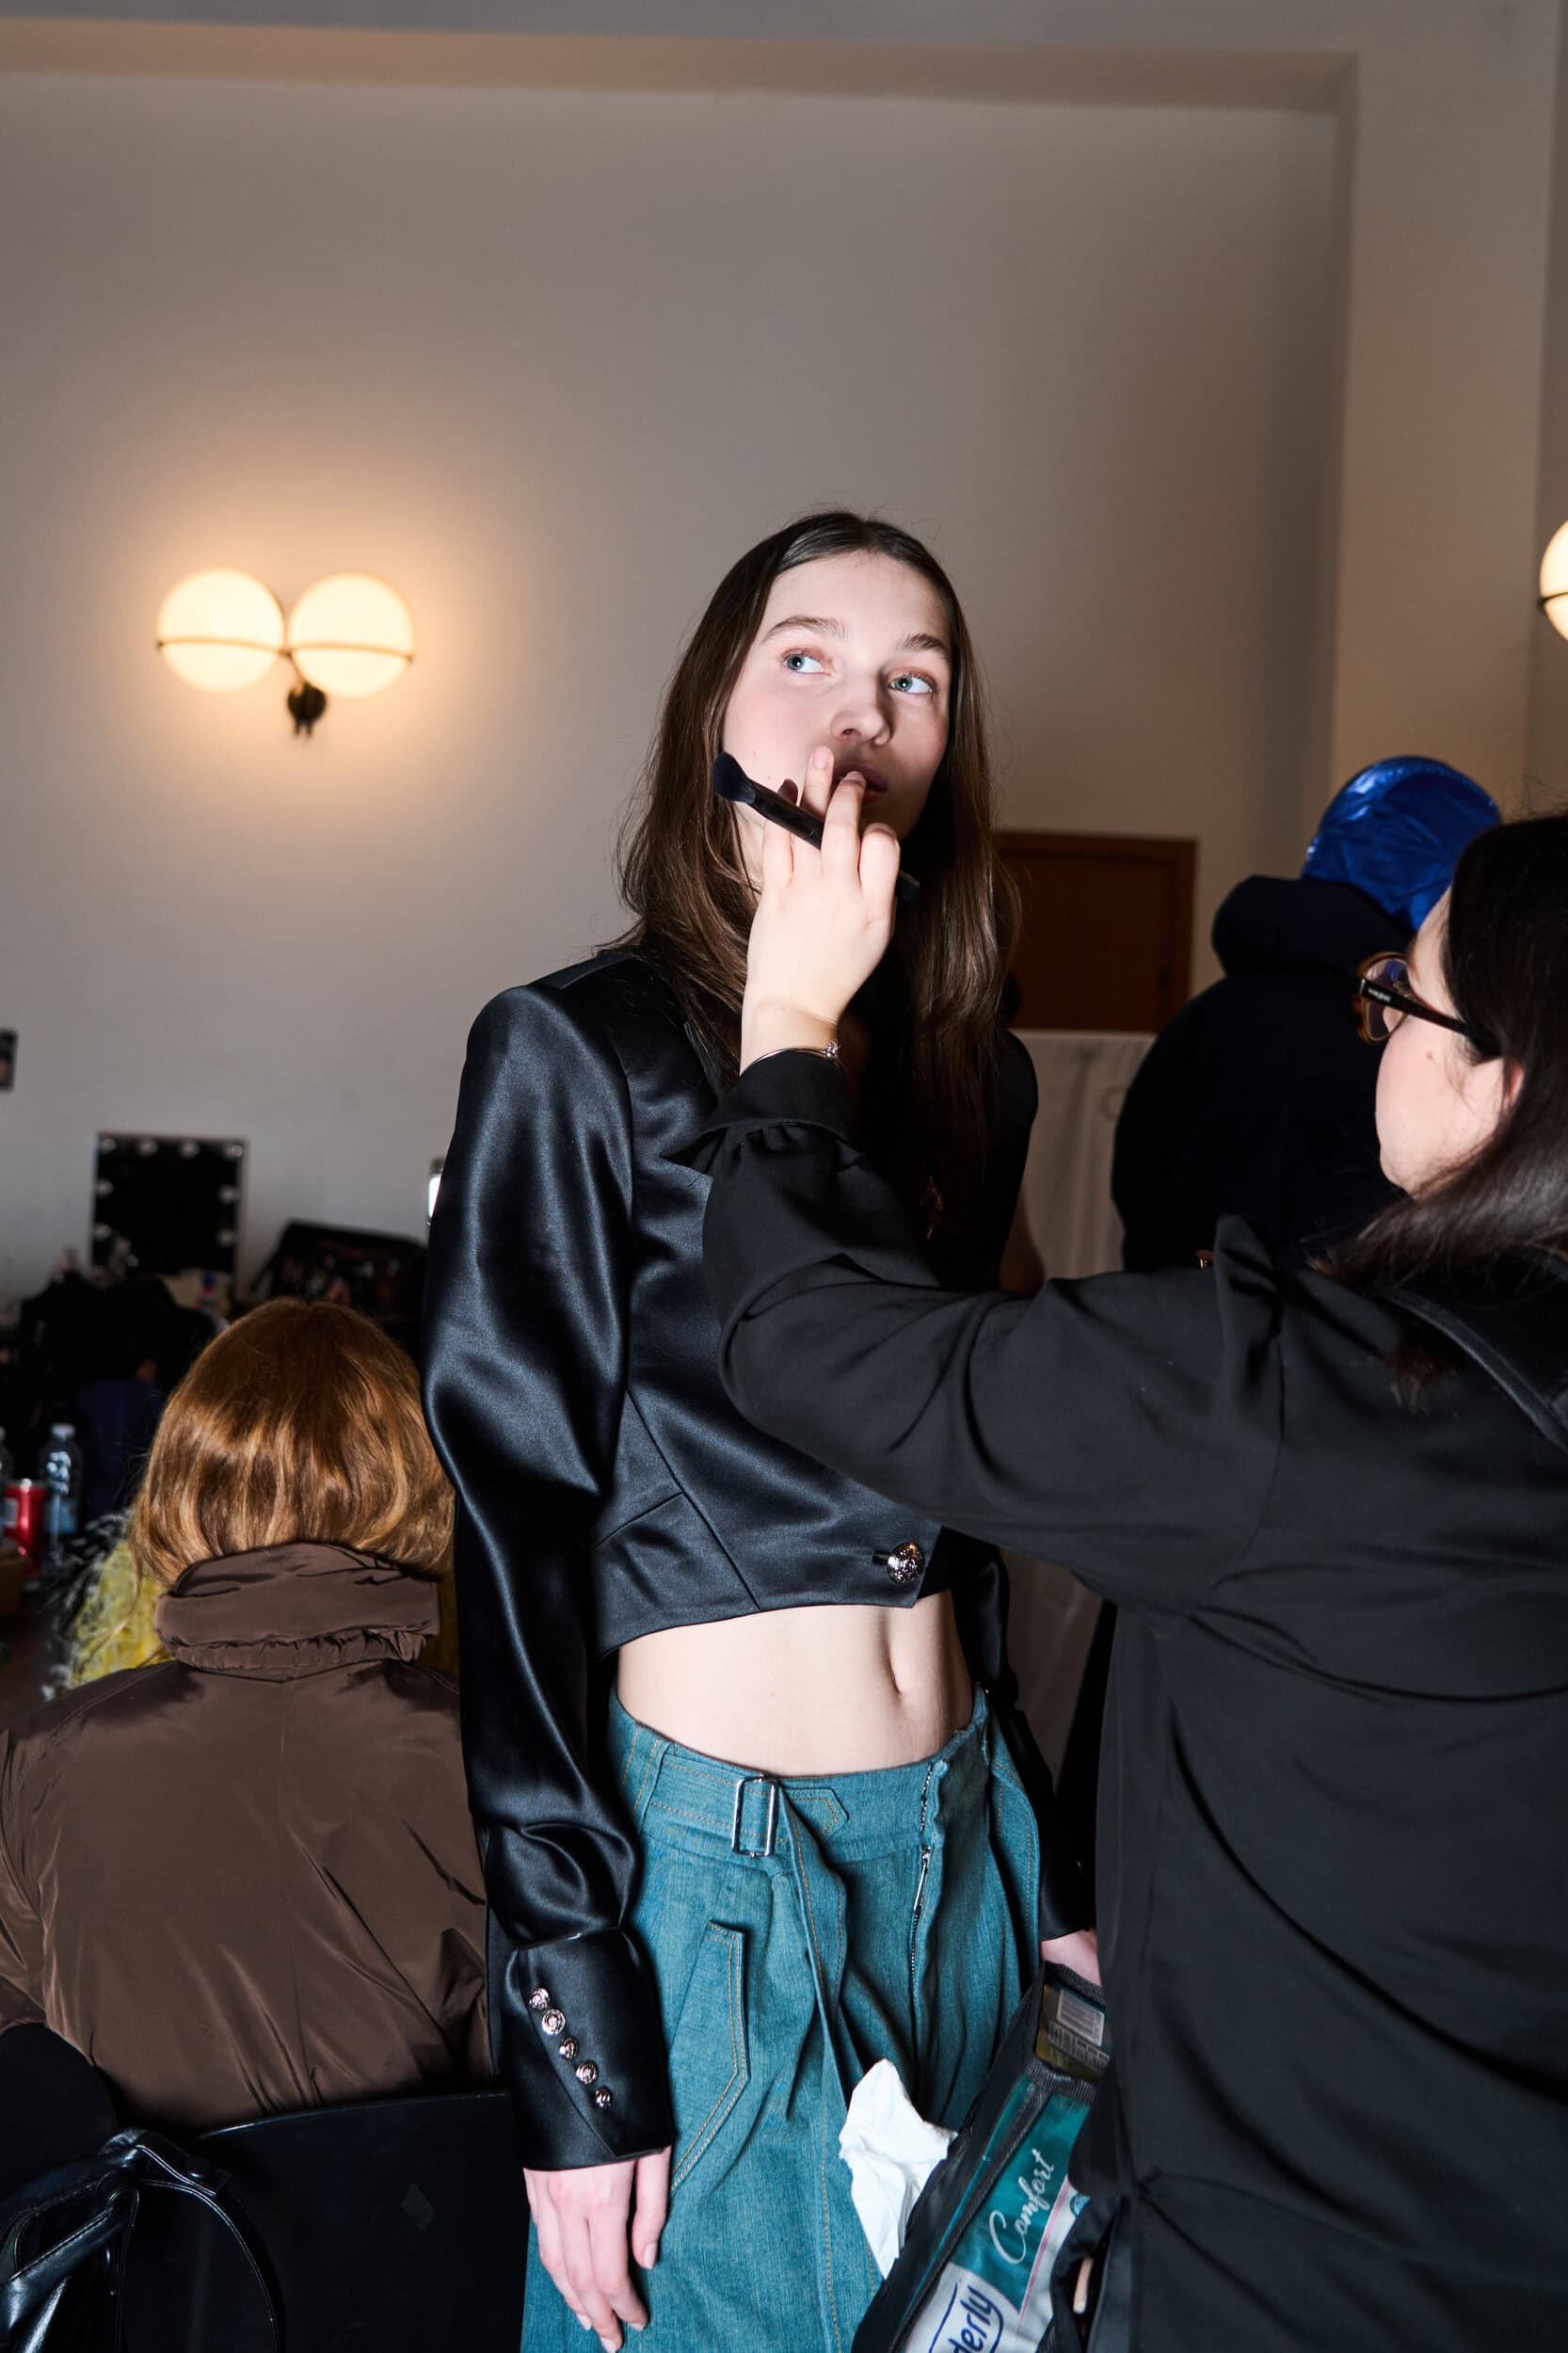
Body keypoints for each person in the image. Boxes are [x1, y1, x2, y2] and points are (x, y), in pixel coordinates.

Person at [691, 786, 1568, 2351]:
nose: (1374, 1028)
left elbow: (809, 1343)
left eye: (1401, 998)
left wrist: (791, 1025)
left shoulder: (1294, 1402)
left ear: (1503, 1085)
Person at [423, 512, 1082, 2353]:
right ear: (709, 705)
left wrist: (1052, 1871)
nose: (858, 714)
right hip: (721, 1863)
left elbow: (975, 1499)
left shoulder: (975, 1074)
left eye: (912, 679)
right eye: (804, 657)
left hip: (968, 1836)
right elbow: (512, 1544)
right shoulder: (574, 1049)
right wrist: (567, 2022)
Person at [0, 1299, 488, 2132]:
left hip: (141, 2215)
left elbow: (26, 2069)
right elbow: (535, 2099)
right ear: (418, 1489)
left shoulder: (43, 1758)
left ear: (182, 1485)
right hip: (415, 2213)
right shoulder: (493, 1761)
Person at [1112, 756, 1499, 1271]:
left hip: (1170, 1307)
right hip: (1333, 1315)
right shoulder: (1394, 1043)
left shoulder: (1206, 1014)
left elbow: (1138, 1180)